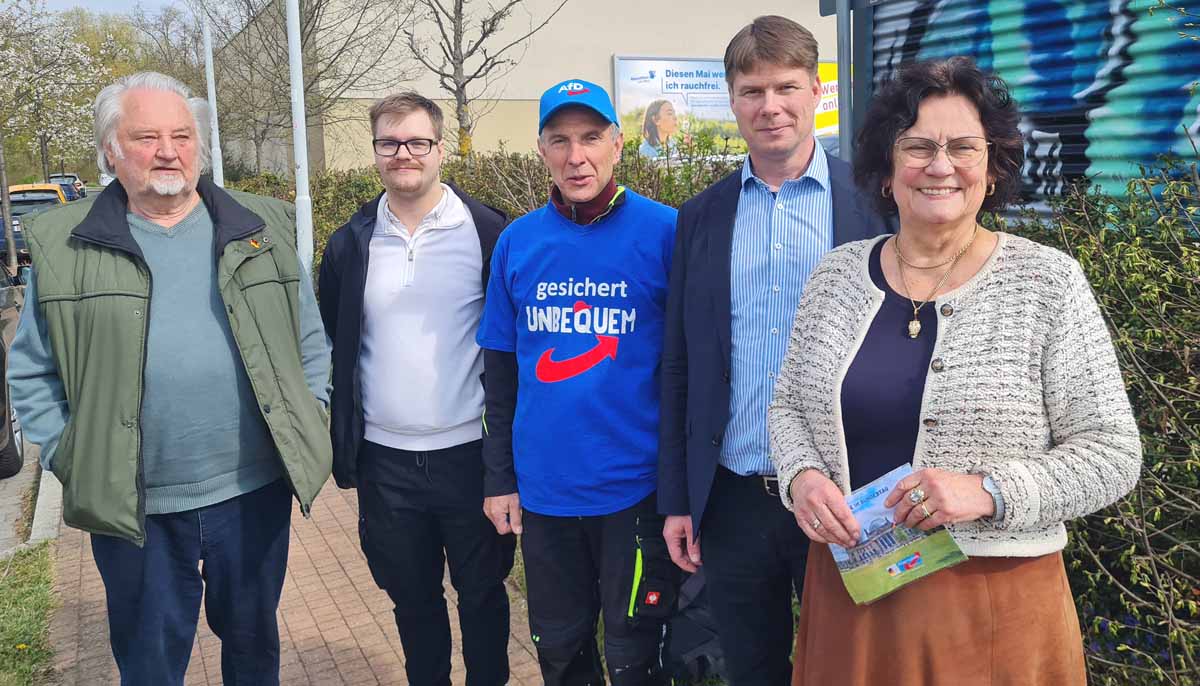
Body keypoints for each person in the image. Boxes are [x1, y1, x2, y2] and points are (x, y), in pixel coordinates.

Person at [768, 56, 1142, 685]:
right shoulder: (835, 276)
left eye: (964, 147)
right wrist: (802, 478)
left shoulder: (1045, 283)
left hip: (992, 607)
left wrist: (987, 491)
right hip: (851, 590)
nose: (940, 166)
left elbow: (1113, 455)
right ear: (887, 170)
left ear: (991, 168)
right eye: (917, 146)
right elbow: (786, 410)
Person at [7, 72, 332, 685]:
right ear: (110, 149)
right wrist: (70, 455)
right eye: (147, 135)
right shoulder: (64, 243)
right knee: (150, 662)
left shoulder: (263, 227)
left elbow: (307, 339)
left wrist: (311, 410)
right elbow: (31, 370)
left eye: (182, 135)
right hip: (138, 506)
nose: (168, 150)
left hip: (253, 492)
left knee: (253, 647)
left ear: (199, 145)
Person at [656, 15, 891, 685]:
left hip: (850, 493)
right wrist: (679, 498)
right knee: (752, 668)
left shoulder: (873, 203)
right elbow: (681, 364)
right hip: (734, 496)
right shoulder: (702, 216)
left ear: (815, 91)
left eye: (786, 87)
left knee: (851, 668)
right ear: (731, 100)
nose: (770, 107)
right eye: (752, 91)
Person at [477, 78, 678, 686]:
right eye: (559, 140)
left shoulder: (667, 232)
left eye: (591, 137)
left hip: (636, 493)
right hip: (546, 494)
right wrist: (499, 479)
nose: (576, 155)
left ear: (618, 143)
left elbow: (689, 368)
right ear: (541, 150)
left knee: (634, 652)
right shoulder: (518, 242)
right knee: (560, 651)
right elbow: (500, 375)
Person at [318, 92, 515, 686]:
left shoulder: (486, 232)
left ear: (440, 148)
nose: (404, 154)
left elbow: (511, 347)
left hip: (469, 460)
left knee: (483, 597)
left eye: (417, 142)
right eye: (390, 143)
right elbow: (337, 337)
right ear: (375, 150)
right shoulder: (350, 243)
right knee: (412, 602)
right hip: (386, 463)